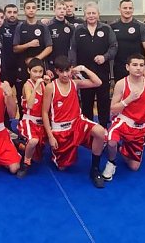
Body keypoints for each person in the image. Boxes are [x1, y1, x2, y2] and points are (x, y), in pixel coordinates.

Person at [42, 56, 107, 188]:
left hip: (78, 122)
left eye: (67, 70)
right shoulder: (50, 87)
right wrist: (50, 136)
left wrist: (83, 68)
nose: (65, 74)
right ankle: (62, 149)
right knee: (62, 168)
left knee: (101, 132)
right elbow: (44, 112)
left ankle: (95, 169)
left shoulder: (75, 83)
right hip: (60, 130)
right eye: (61, 71)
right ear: (56, 71)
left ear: (71, 69)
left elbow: (98, 82)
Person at [102, 54, 145, 181]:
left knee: (134, 167)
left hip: (140, 127)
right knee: (111, 141)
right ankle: (111, 162)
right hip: (123, 122)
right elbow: (113, 109)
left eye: (141, 65)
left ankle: (123, 148)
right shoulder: (121, 84)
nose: (138, 68)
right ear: (127, 67)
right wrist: (128, 99)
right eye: (135, 65)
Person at [69, 2, 117, 127]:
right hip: (83, 73)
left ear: (98, 14)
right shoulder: (78, 29)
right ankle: (87, 127)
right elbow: (73, 49)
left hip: (102, 71)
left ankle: (103, 126)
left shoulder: (107, 29)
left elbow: (114, 46)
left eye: (93, 13)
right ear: (84, 15)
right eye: (88, 13)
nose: (91, 16)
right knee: (86, 101)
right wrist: (73, 68)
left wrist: (105, 57)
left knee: (103, 101)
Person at [13, 0, 52, 106]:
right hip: (23, 66)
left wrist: (35, 60)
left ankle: (42, 120)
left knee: (42, 96)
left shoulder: (43, 27)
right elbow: (15, 48)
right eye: (28, 8)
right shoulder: (20, 27)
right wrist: (28, 44)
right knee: (23, 97)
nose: (31, 10)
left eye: (33, 8)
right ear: (24, 10)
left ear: (36, 10)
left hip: (39, 68)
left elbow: (49, 48)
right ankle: (23, 120)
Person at [15, 58, 48, 178]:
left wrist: (48, 84)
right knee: (33, 141)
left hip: (41, 122)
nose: (38, 74)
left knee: (39, 153)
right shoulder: (27, 85)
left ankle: (19, 144)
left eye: (40, 71)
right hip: (29, 121)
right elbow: (29, 104)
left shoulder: (44, 84)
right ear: (29, 71)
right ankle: (25, 163)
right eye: (35, 71)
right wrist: (36, 86)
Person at [110, 0, 145, 81]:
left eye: (130, 8)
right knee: (121, 92)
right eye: (125, 8)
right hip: (119, 67)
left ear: (133, 9)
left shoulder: (140, 26)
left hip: (137, 67)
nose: (127, 10)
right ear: (119, 9)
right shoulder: (112, 26)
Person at [46, 0, 75, 71]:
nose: (62, 11)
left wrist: (73, 63)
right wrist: (47, 68)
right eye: (59, 8)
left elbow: (73, 46)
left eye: (64, 9)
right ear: (54, 10)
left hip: (66, 62)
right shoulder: (48, 26)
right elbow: (45, 47)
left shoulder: (71, 27)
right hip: (52, 62)